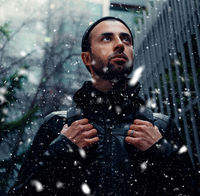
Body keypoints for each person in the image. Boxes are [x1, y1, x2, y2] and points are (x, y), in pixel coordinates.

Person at [9, 16, 198, 196]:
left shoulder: (161, 127)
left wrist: (162, 152)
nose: (120, 44)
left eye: (126, 40)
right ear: (86, 58)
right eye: (107, 38)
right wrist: (60, 151)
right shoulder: (58, 124)